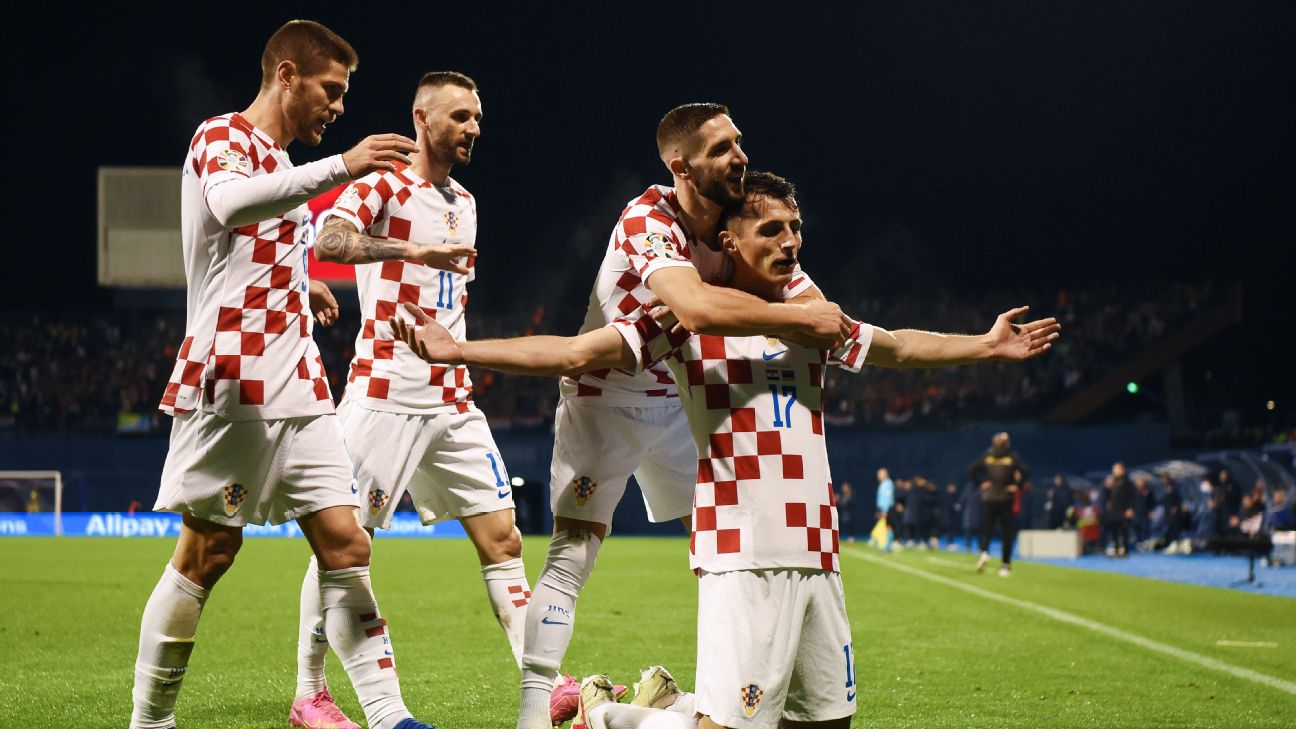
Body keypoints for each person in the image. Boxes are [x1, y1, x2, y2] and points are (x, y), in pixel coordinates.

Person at [390, 170, 1060, 728]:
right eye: (771, 228)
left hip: (817, 551)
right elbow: (573, 352)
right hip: (741, 551)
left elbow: (900, 346)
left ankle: (657, 704)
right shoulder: (684, 319)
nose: (791, 241)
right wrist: (459, 350)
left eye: (797, 228)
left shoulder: (816, 318)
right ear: (727, 239)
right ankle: (612, 716)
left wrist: (985, 343)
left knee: (826, 723)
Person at [135, 21, 465, 729]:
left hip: (301, 382)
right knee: (208, 550)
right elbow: (229, 207)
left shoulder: (282, 165)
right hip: (232, 378)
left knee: (348, 541)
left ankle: (389, 714)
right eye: (331, 90)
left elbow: (259, 244)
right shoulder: (221, 136)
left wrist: (303, 284)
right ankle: (149, 722)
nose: (338, 106)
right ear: (286, 74)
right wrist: (345, 165)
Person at [512, 104, 845, 729]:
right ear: (681, 167)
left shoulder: (740, 223)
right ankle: (535, 715)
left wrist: (805, 309)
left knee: (733, 535)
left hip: (683, 393)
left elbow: (816, 307)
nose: (739, 157)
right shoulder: (648, 217)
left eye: (739, 142)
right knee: (573, 550)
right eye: (721, 149)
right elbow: (693, 306)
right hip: (604, 392)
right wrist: (798, 319)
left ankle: (694, 704)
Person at [288, 71, 532, 729]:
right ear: (422, 119)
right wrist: (411, 247)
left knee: (503, 536)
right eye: (459, 116)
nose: (472, 128)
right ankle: (310, 691)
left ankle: (545, 686)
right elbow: (330, 240)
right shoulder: (386, 184)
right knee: (344, 543)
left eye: (477, 117)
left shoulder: (468, 202)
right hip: (384, 394)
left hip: (453, 399)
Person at [970, 432, 1029, 575]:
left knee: (987, 529)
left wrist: (981, 483)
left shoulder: (988, 456)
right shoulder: (1011, 457)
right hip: (1005, 497)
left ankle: (984, 552)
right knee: (1006, 532)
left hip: (990, 497)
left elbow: (972, 470)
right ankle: (1005, 565)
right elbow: (1026, 472)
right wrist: (1017, 485)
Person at [1105, 462, 1135, 557]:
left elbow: (1132, 496)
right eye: (1114, 469)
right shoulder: (1113, 481)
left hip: (1123, 510)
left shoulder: (1127, 482)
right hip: (1114, 510)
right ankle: (1116, 549)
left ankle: (1125, 550)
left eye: (1117, 469)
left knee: (1124, 530)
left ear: (1122, 470)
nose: (1115, 471)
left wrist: (1130, 508)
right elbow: (1110, 494)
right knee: (1114, 530)